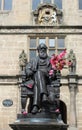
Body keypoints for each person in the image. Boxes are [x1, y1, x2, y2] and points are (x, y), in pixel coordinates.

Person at [24, 43, 53, 114]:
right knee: (38, 73)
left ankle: (36, 106)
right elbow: (27, 70)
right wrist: (31, 71)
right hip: (34, 79)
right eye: (41, 49)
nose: (42, 50)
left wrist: (52, 73)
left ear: (46, 50)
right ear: (38, 50)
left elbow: (54, 70)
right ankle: (44, 96)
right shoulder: (33, 60)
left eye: (44, 49)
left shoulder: (51, 60)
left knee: (37, 81)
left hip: (47, 79)